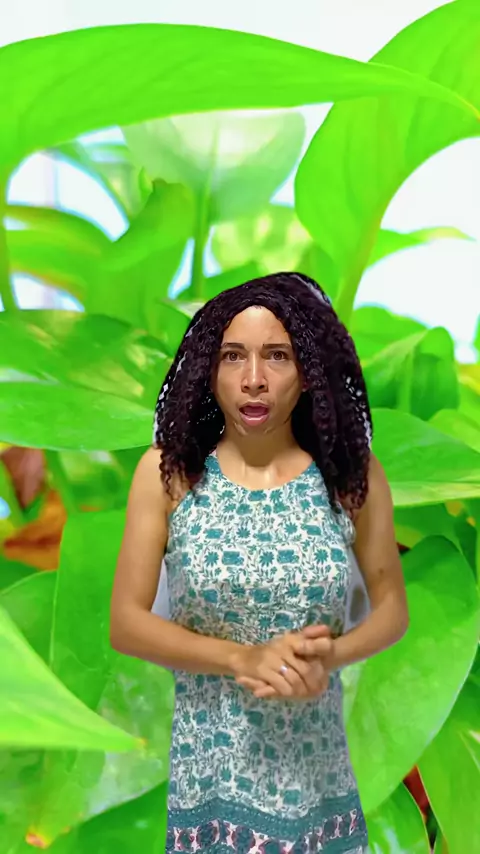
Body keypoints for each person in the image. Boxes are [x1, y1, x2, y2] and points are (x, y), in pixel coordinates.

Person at [110, 272, 409, 854]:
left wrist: (332, 657)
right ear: (208, 370)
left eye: (277, 356)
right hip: (211, 792)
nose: (253, 379)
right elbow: (126, 622)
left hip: (319, 787)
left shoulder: (352, 476)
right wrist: (241, 658)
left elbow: (392, 607)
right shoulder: (168, 475)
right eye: (232, 357)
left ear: (309, 371)